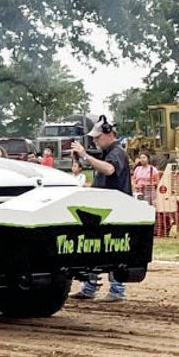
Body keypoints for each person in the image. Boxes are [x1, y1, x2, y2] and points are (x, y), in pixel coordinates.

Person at [69, 116, 132, 302]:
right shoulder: (108, 152)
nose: (95, 141)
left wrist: (85, 155)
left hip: (115, 211)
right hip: (105, 209)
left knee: (112, 250)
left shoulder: (116, 152)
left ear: (109, 134)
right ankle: (90, 287)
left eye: (97, 137)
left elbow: (109, 170)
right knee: (94, 248)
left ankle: (117, 289)